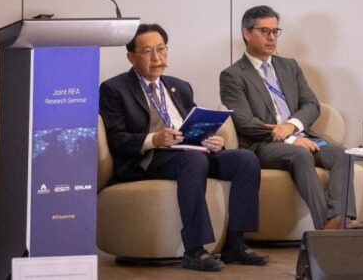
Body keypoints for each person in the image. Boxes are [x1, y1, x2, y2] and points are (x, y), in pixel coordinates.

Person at [99, 23, 268, 272]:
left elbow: (194, 124)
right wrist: (154, 139)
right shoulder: (114, 89)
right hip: (148, 159)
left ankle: (235, 245)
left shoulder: (180, 86)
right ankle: (195, 250)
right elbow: (116, 139)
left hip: (189, 153)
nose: (157, 58)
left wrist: (212, 140)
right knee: (193, 160)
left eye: (161, 49)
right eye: (147, 51)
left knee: (245, 159)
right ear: (131, 57)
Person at [219, 5, 361, 231]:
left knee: (342, 154)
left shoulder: (289, 66)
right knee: (301, 154)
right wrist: (290, 138)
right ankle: (325, 228)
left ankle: (339, 219)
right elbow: (245, 122)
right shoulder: (233, 75)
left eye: (275, 31)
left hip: (302, 135)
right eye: (265, 31)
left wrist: (292, 126)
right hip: (264, 144)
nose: (272, 37)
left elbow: (311, 104)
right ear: (247, 33)